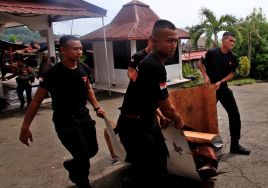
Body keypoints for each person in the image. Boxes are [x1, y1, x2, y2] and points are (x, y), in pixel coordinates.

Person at [19, 35, 106, 188]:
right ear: (63, 50)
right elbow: (37, 100)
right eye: (75, 49)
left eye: (80, 48)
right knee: (82, 157)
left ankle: (72, 165)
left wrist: (97, 107)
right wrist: (25, 126)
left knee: (92, 150)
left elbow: (88, 89)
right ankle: (82, 183)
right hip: (65, 121)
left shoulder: (84, 68)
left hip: (83, 117)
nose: (79, 52)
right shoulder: (53, 74)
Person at [115, 20, 184, 188]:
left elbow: (147, 96)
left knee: (157, 160)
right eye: (169, 40)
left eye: (175, 40)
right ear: (153, 40)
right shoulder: (153, 65)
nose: (173, 45)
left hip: (144, 121)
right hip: (135, 126)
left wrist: (159, 114)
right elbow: (167, 106)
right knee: (156, 172)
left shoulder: (152, 62)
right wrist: (178, 119)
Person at [198, 32, 250, 155]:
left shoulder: (232, 57)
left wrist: (221, 81)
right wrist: (205, 76)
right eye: (231, 40)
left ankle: (235, 145)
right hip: (211, 89)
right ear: (223, 41)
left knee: (235, 115)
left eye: (234, 41)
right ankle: (201, 144)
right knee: (205, 116)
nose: (233, 43)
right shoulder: (211, 53)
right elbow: (200, 64)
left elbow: (232, 73)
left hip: (222, 88)